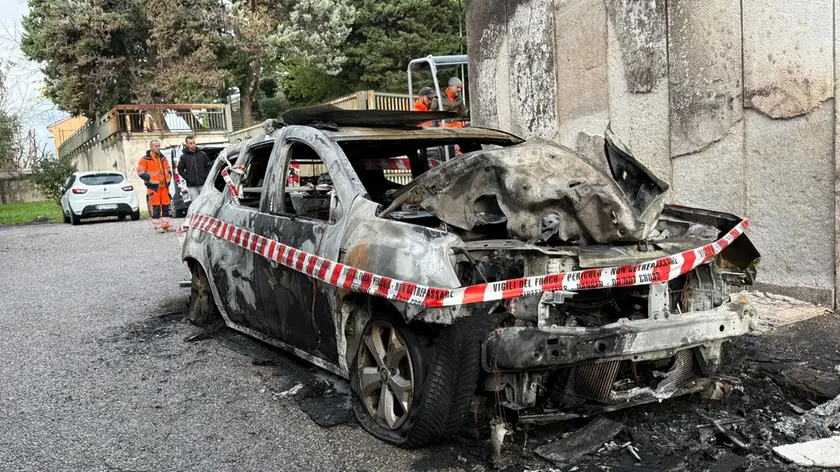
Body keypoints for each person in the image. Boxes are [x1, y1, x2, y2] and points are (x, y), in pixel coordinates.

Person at [137, 140, 173, 233]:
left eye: (159, 146)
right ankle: (158, 226)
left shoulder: (163, 158)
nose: (158, 147)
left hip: (164, 186)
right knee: (156, 207)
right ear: (151, 147)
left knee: (166, 206)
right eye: (156, 146)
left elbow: (168, 169)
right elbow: (140, 171)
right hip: (153, 187)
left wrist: (169, 176)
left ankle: (166, 225)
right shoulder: (145, 159)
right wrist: (148, 178)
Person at [177, 135, 213, 201]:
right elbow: (180, 169)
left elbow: (209, 166)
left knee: (206, 202)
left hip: (203, 184)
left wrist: (206, 176)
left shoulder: (202, 154)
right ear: (187, 144)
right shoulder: (183, 157)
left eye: (194, 142)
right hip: (192, 186)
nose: (193, 145)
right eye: (190, 143)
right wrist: (189, 178)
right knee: (195, 204)